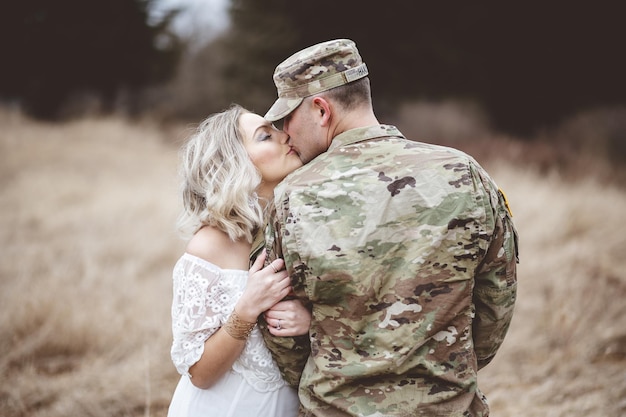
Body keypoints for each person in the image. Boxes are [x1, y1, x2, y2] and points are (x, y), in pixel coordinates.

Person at [260, 39, 519, 416]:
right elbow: (497, 300)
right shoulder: (465, 173)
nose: (285, 133)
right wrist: (445, 373)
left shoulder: (292, 197)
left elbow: (280, 327)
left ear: (320, 110)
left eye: (287, 118)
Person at [167, 104, 311, 417]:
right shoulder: (210, 245)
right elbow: (199, 374)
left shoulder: (299, 226)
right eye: (265, 136)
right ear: (234, 163)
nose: (285, 135)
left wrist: (310, 323)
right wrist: (246, 309)